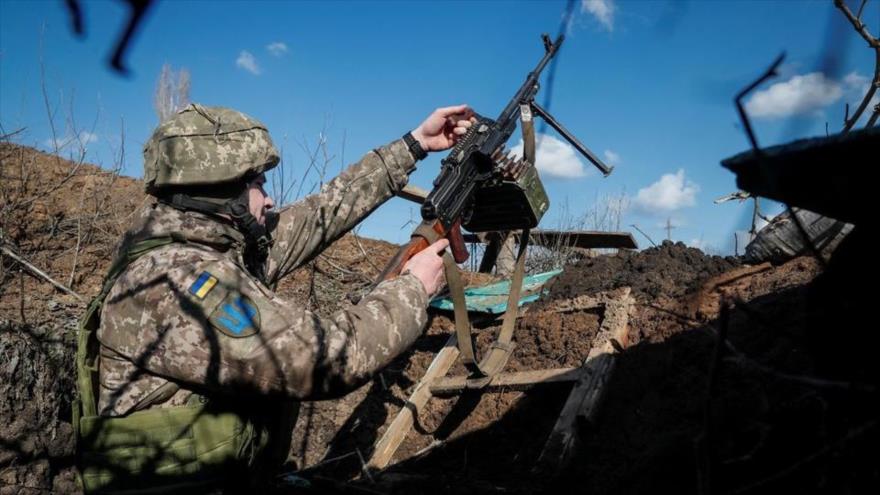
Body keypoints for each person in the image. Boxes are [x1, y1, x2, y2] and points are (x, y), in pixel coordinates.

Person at [75, 102, 474, 493]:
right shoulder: (176, 282)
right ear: (221, 192)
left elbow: (324, 213)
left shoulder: (218, 243)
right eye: (258, 184)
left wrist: (415, 144)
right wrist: (412, 288)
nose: (268, 199)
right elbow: (324, 359)